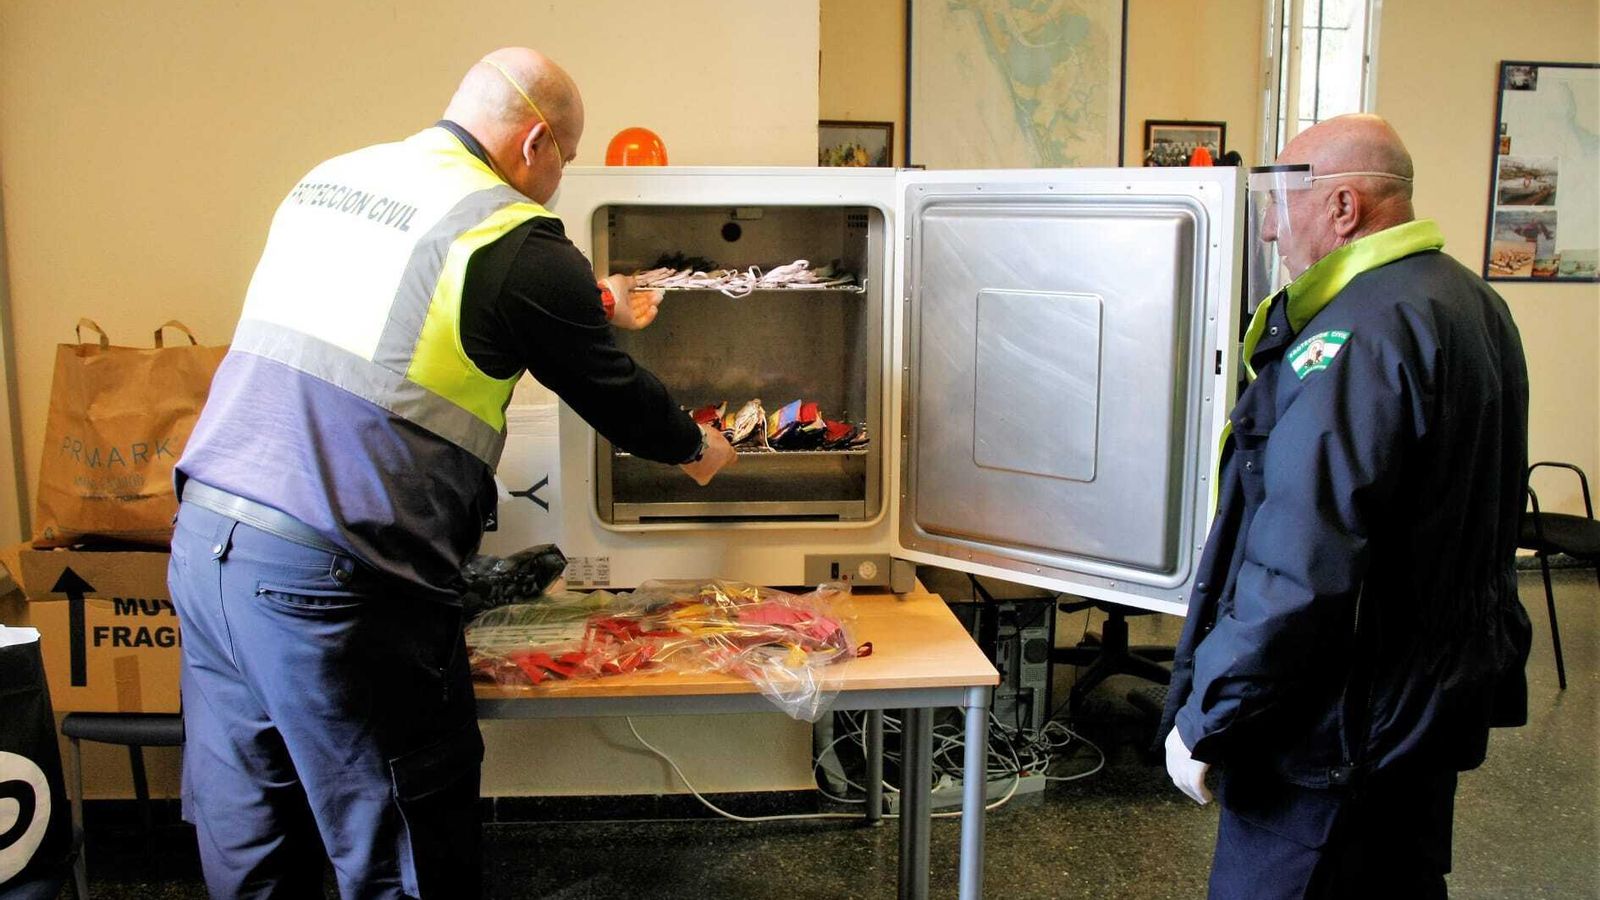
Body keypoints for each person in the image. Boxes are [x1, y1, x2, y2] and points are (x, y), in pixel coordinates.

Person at [168, 47, 735, 898]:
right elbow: (608, 389)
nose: (556, 184)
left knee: (255, 840)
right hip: (339, 581)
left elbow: (413, 301)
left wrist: (601, 297)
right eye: (567, 162)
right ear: (536, 142)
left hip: (212, 548)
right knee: (403, 850)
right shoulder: (510, 232)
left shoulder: (338, 179)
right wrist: (699, 450)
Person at [1159, 114, 1532, 899]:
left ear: (1343, 208)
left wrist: (1209, 714)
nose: (1268, 225)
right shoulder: (1471, 303)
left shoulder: (1357, 335)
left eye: (1282, 198)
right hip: (1423, 716)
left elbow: (1300, 560)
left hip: (1332, 736)